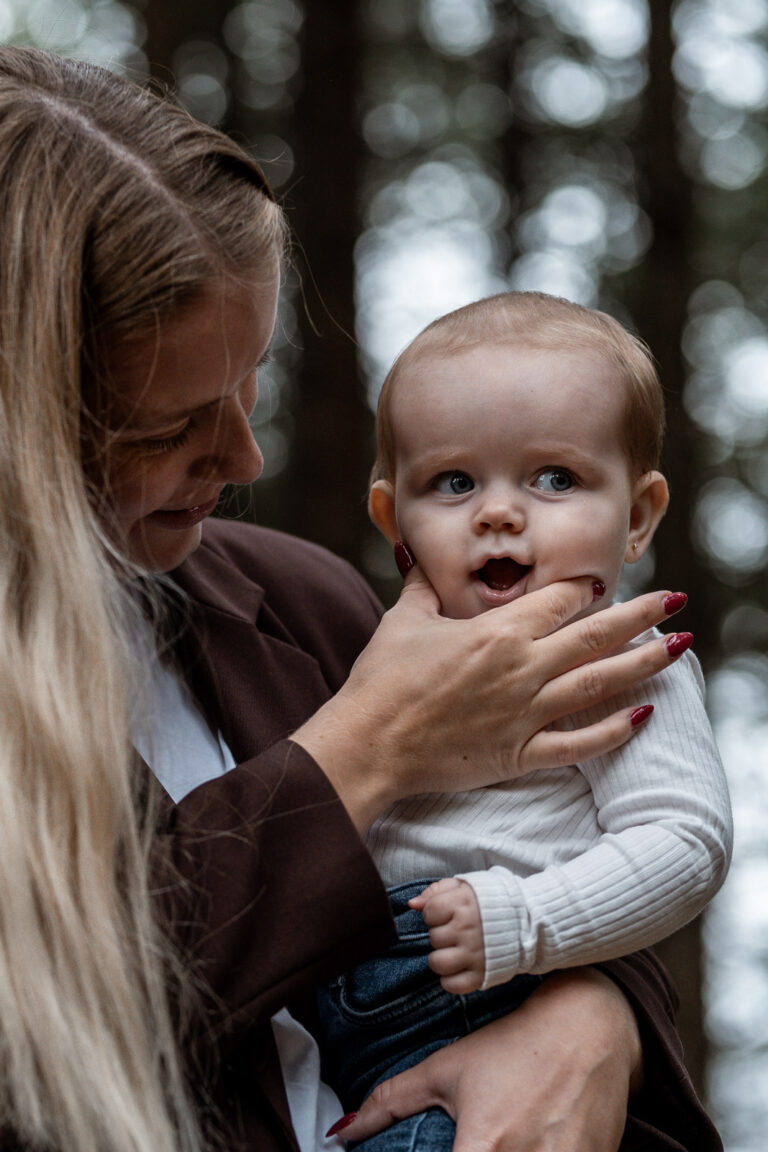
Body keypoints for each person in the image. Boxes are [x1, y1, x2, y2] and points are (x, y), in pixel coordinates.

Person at [0, 43, 721, 1152]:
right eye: (164, 427)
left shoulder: (295, 597)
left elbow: (576, 856)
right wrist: (365, 749)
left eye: (249, 385)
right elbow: (63, 1018)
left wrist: (594, 1019)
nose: (239, 455)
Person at [316, 292, 731, 1151]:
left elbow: (685, 841)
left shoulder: (613, 657)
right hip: (348, 1032)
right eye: (454, 482)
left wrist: (525, 920)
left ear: (640, 516)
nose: (499, 511)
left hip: (494, 1002)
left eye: (555, 478)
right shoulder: (385, 659)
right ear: (394, 519)